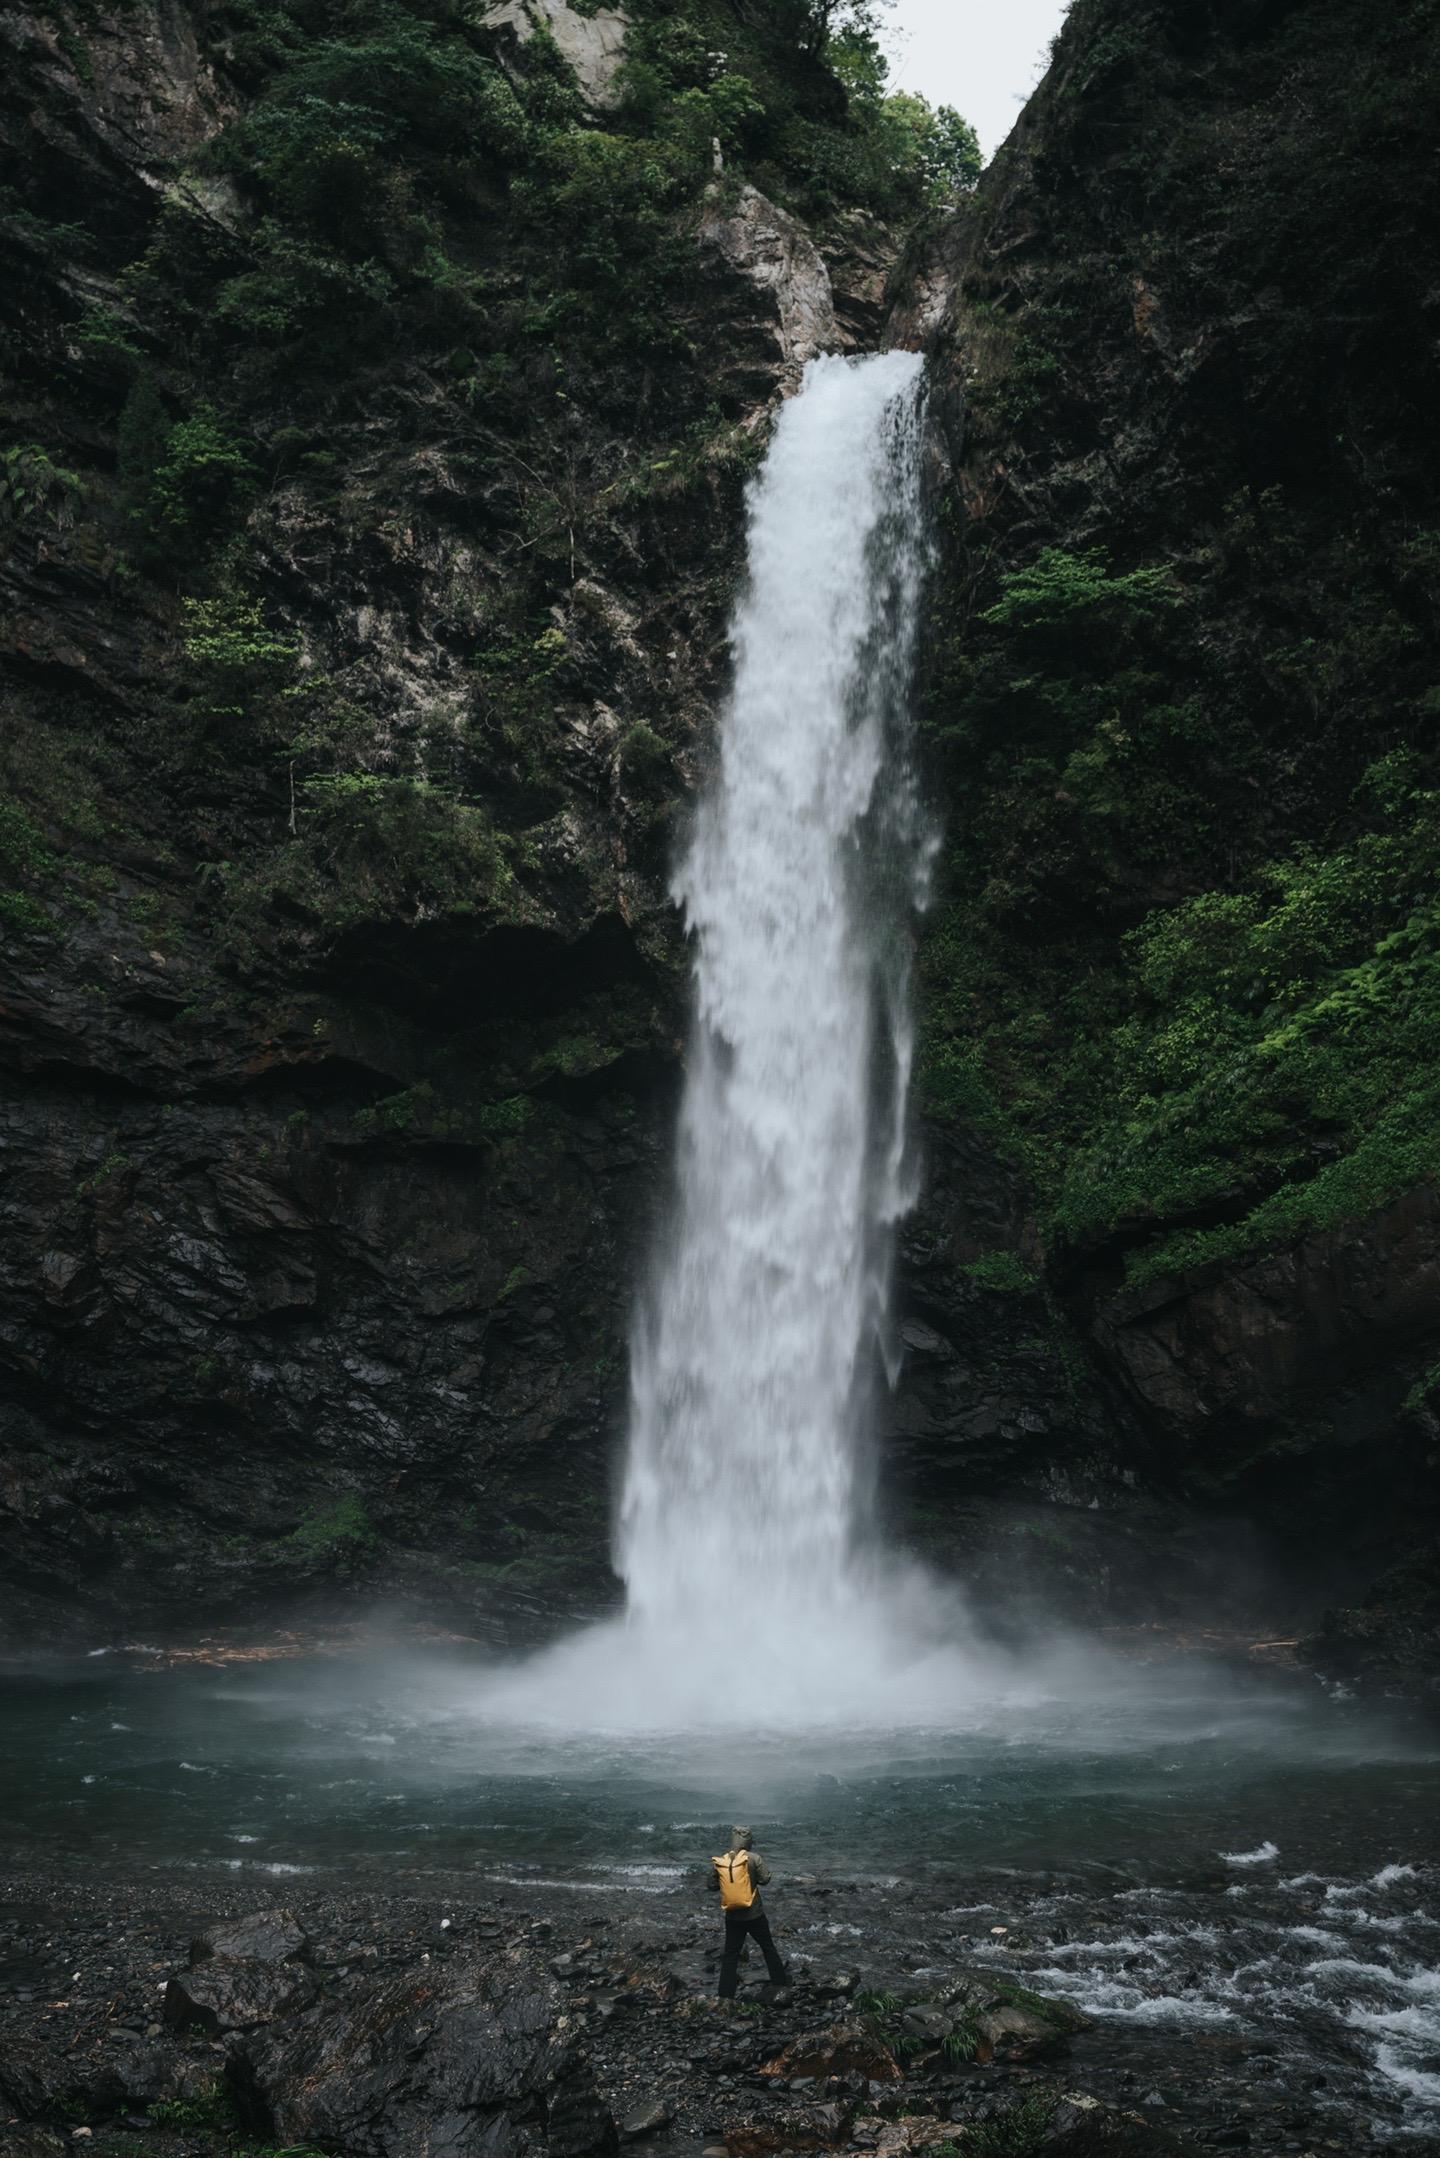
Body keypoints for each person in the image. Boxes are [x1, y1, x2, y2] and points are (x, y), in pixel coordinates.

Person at [712, 1824, 790, 1998]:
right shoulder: (754, 1858)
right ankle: (780, 1985)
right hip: (755, 1914)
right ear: (749, 1842)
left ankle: (725, 1995)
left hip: (732, 1916)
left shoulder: (722, 1860)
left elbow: (711, 1885)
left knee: (731, 1954)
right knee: (768, 1947)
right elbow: (766, 1879)